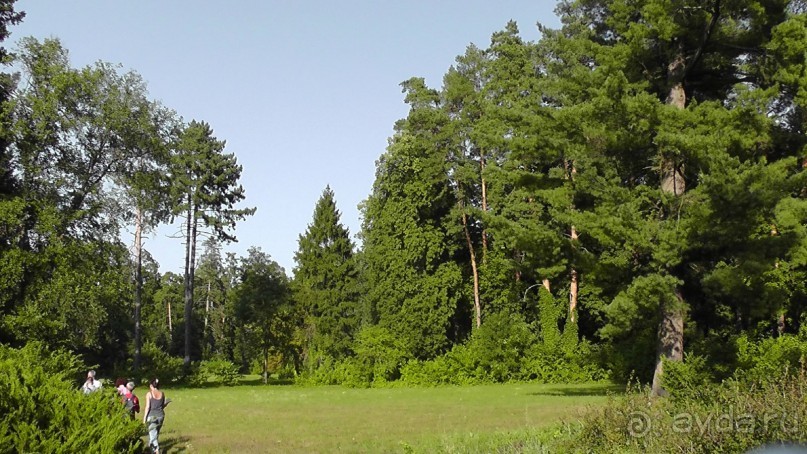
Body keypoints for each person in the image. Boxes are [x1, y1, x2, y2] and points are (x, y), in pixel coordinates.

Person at [143, 378, 168, 454]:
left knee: (153, 435)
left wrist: (144, 418)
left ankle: (156, 451)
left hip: (152, 416)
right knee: (155, 434)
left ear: (151, 385)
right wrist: (166, 404)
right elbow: (161, 406)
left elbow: (148, 407)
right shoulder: (162, 393)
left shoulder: (149, 394)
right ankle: (151, 450)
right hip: (161, 415)